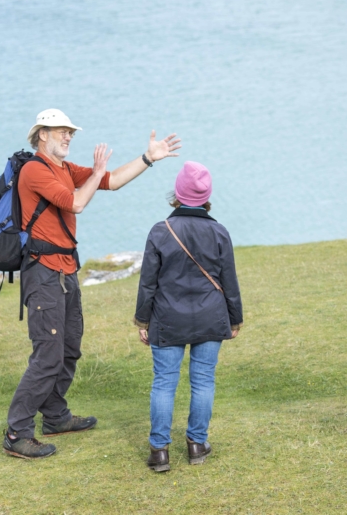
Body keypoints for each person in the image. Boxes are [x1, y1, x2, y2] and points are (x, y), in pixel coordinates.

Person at [3, 109, 181, 460]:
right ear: (42, 135)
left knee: (69, 348)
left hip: (66, 273)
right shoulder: (34, 171)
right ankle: (16, 432)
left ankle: (55, 416)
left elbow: (111, 181)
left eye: (71, 132)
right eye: (61, 132)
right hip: (43, 274)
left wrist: (148, 158)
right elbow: (77, 202)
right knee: (47, 357)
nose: (68, 137)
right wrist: (97, 171)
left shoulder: (65, 169)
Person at [133, 161, 243, 472]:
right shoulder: (219, 231)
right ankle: (197, 444)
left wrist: (143, 321)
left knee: (164, 382)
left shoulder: (160, 231)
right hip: (211, 317)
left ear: (177, 194)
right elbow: (230, 282)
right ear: (207, 196)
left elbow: (148, 283)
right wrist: (234, 320)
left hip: (167, 318)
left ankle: (159, 451)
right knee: (203, 380)